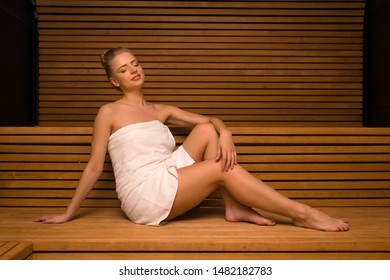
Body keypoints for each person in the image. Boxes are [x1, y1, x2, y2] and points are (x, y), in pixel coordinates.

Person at [34, 47, 349, 232]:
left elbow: (211, 121)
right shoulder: (109, 112)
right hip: (144, 192)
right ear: (114, 81)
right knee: (217, 169)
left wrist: (224, 131)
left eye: (136, 64)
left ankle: (234, 208)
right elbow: (93, 166)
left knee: (207, 131)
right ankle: (302, 214)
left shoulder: (162, 110)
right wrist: (68, 213)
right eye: (124, 70)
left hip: (168, 172)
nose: (133, 71)